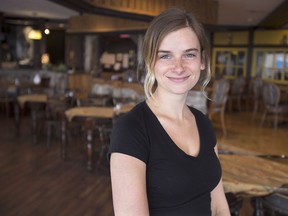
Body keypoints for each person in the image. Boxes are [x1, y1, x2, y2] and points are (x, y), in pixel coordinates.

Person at [108, 7, 230, 216]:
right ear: (150, 62)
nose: (178, 66)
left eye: (189, 55)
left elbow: (219, 206)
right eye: (165, 56)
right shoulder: (131, 130)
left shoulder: (203, 123)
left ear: (202, 60)